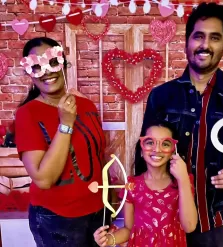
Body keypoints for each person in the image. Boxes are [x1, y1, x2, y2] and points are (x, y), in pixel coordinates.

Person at [141, 2, 223, 247]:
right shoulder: (162, 96)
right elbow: (142, 155)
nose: (205, 45)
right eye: (198, 36)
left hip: (214, 219)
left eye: (215, 38)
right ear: (187, 41)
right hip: (165, 216)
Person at [15, 37, 108, 247]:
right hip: (57, 220)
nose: (47, 71)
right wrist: (66, 123)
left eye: (53, 62)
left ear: (63, 63)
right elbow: (44, 179)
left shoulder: (87, 105)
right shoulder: (27, 114)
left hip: (98, 213)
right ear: (29, 73)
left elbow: (97, 158)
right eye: (37, 66)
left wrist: (107, 204)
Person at [94, 120, 198, 247]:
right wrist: (109, 239)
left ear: (173, 151)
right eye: (150, 142)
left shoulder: (183, 181)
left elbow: (190, 226)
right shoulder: (132, 185)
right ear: (142, 151)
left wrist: (183, 179)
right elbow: (128, 230)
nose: (157, 149)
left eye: (165, 144)